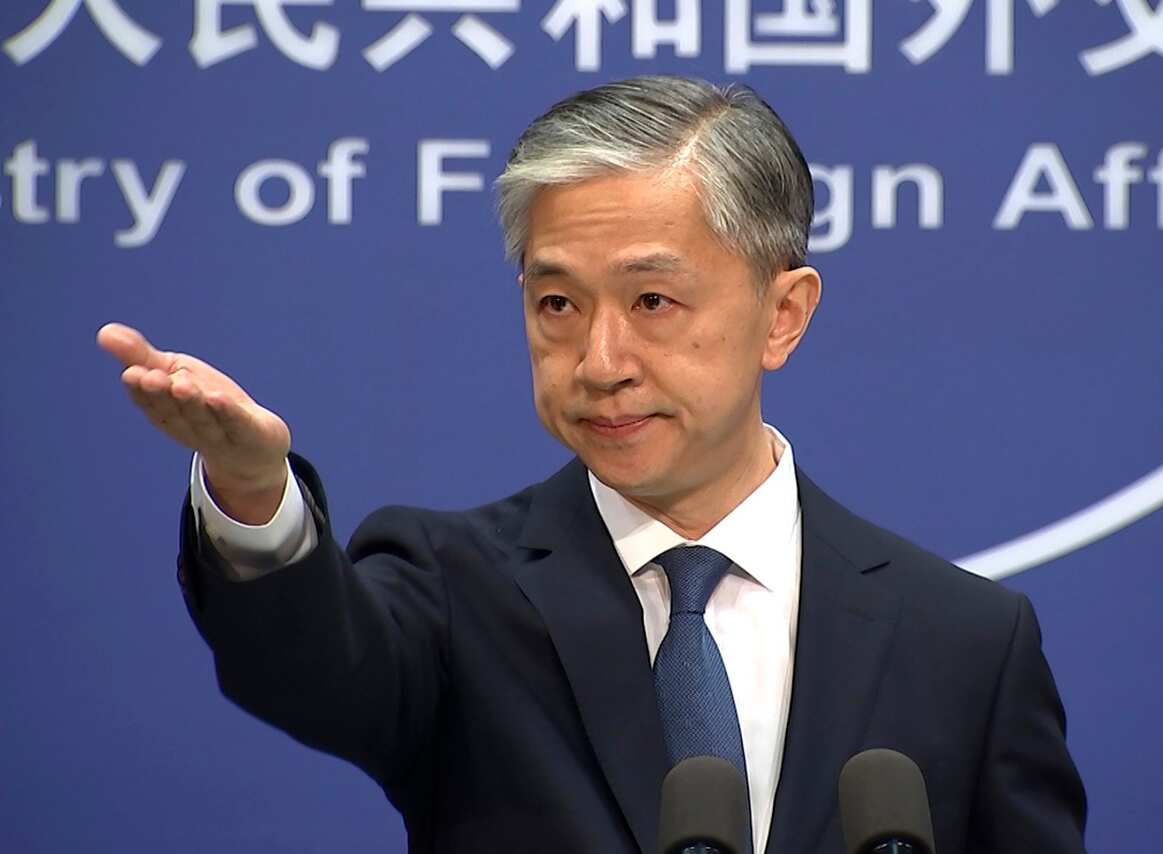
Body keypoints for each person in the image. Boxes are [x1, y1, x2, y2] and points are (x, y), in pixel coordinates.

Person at [97, 76, 1087, 853]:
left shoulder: (961, 639)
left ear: (781, 313)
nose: (599, 362)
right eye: (556, 305)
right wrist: (253, 493)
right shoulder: (454, 586)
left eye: (651, 301)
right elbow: (313, 670)